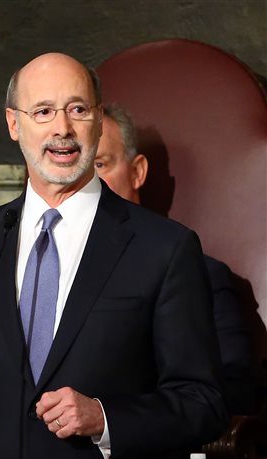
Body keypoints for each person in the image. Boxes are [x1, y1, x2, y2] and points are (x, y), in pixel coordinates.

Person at [0, 53, 229, 459]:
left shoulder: (164, 247)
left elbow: (203, 403)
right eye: (44, 111)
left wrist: (105, 419)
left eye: (78, 110)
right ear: (14, 124)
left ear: (99, 119)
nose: (62, 129)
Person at [95, 104, 257, 415]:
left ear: (137, 171)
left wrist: (110, 419)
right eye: (79, 168)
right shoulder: (42, 273)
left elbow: (233, 391)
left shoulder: (201, 274)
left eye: (101, 164)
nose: (89, 183)